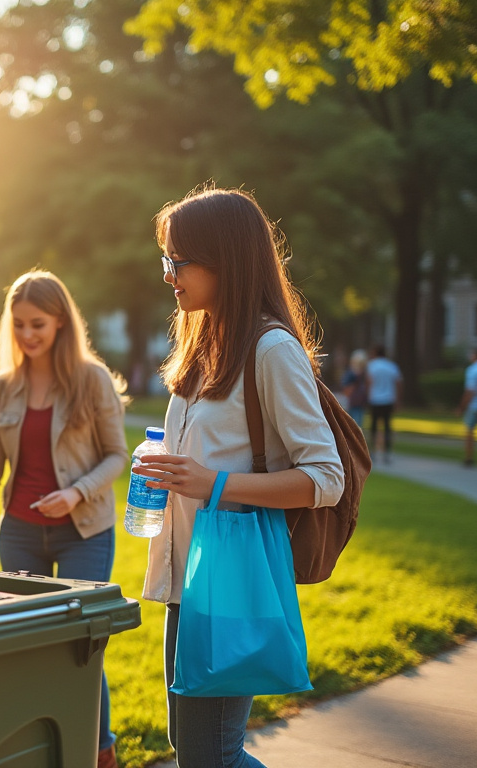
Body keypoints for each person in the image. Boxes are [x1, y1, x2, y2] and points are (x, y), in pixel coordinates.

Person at [131, 187, 344, 768]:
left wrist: (213, 484)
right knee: (195, 750)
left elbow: (326, 477)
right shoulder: (205, 344)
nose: (169, 275)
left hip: (231, 574)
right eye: (166, 260)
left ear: (226, 260)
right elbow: (204, 455)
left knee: (209, 755)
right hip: (190, 573)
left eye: (180, 262)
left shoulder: (271, 348)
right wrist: (162, 463)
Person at [0, 270, 129, 768]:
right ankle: (40, 749)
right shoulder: (1, 388)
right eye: (20, 324)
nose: (28, 335)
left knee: (80, 646)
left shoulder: (91, 380)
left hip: (83, 532)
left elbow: (117, 456)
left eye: (39, 325)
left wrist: (75, 493)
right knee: (25, 647)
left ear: (61, 323)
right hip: (21, 533)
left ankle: (100, 749)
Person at [365, 344, 402, 465]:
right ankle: (387, 452)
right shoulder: (391, 366)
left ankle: (374, 451)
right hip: (388, 399)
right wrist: (397, 399)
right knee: (387, 427)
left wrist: (368, 397)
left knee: (374, 427)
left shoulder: (372, 366)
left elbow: (369, 382)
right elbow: (398, 383)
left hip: (375, 399)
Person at [340, 349, 368, 427]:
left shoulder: (364, 374)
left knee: (358, 424)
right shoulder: (351, 374)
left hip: (360, 403)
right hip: (351, 403)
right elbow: (346, 389)